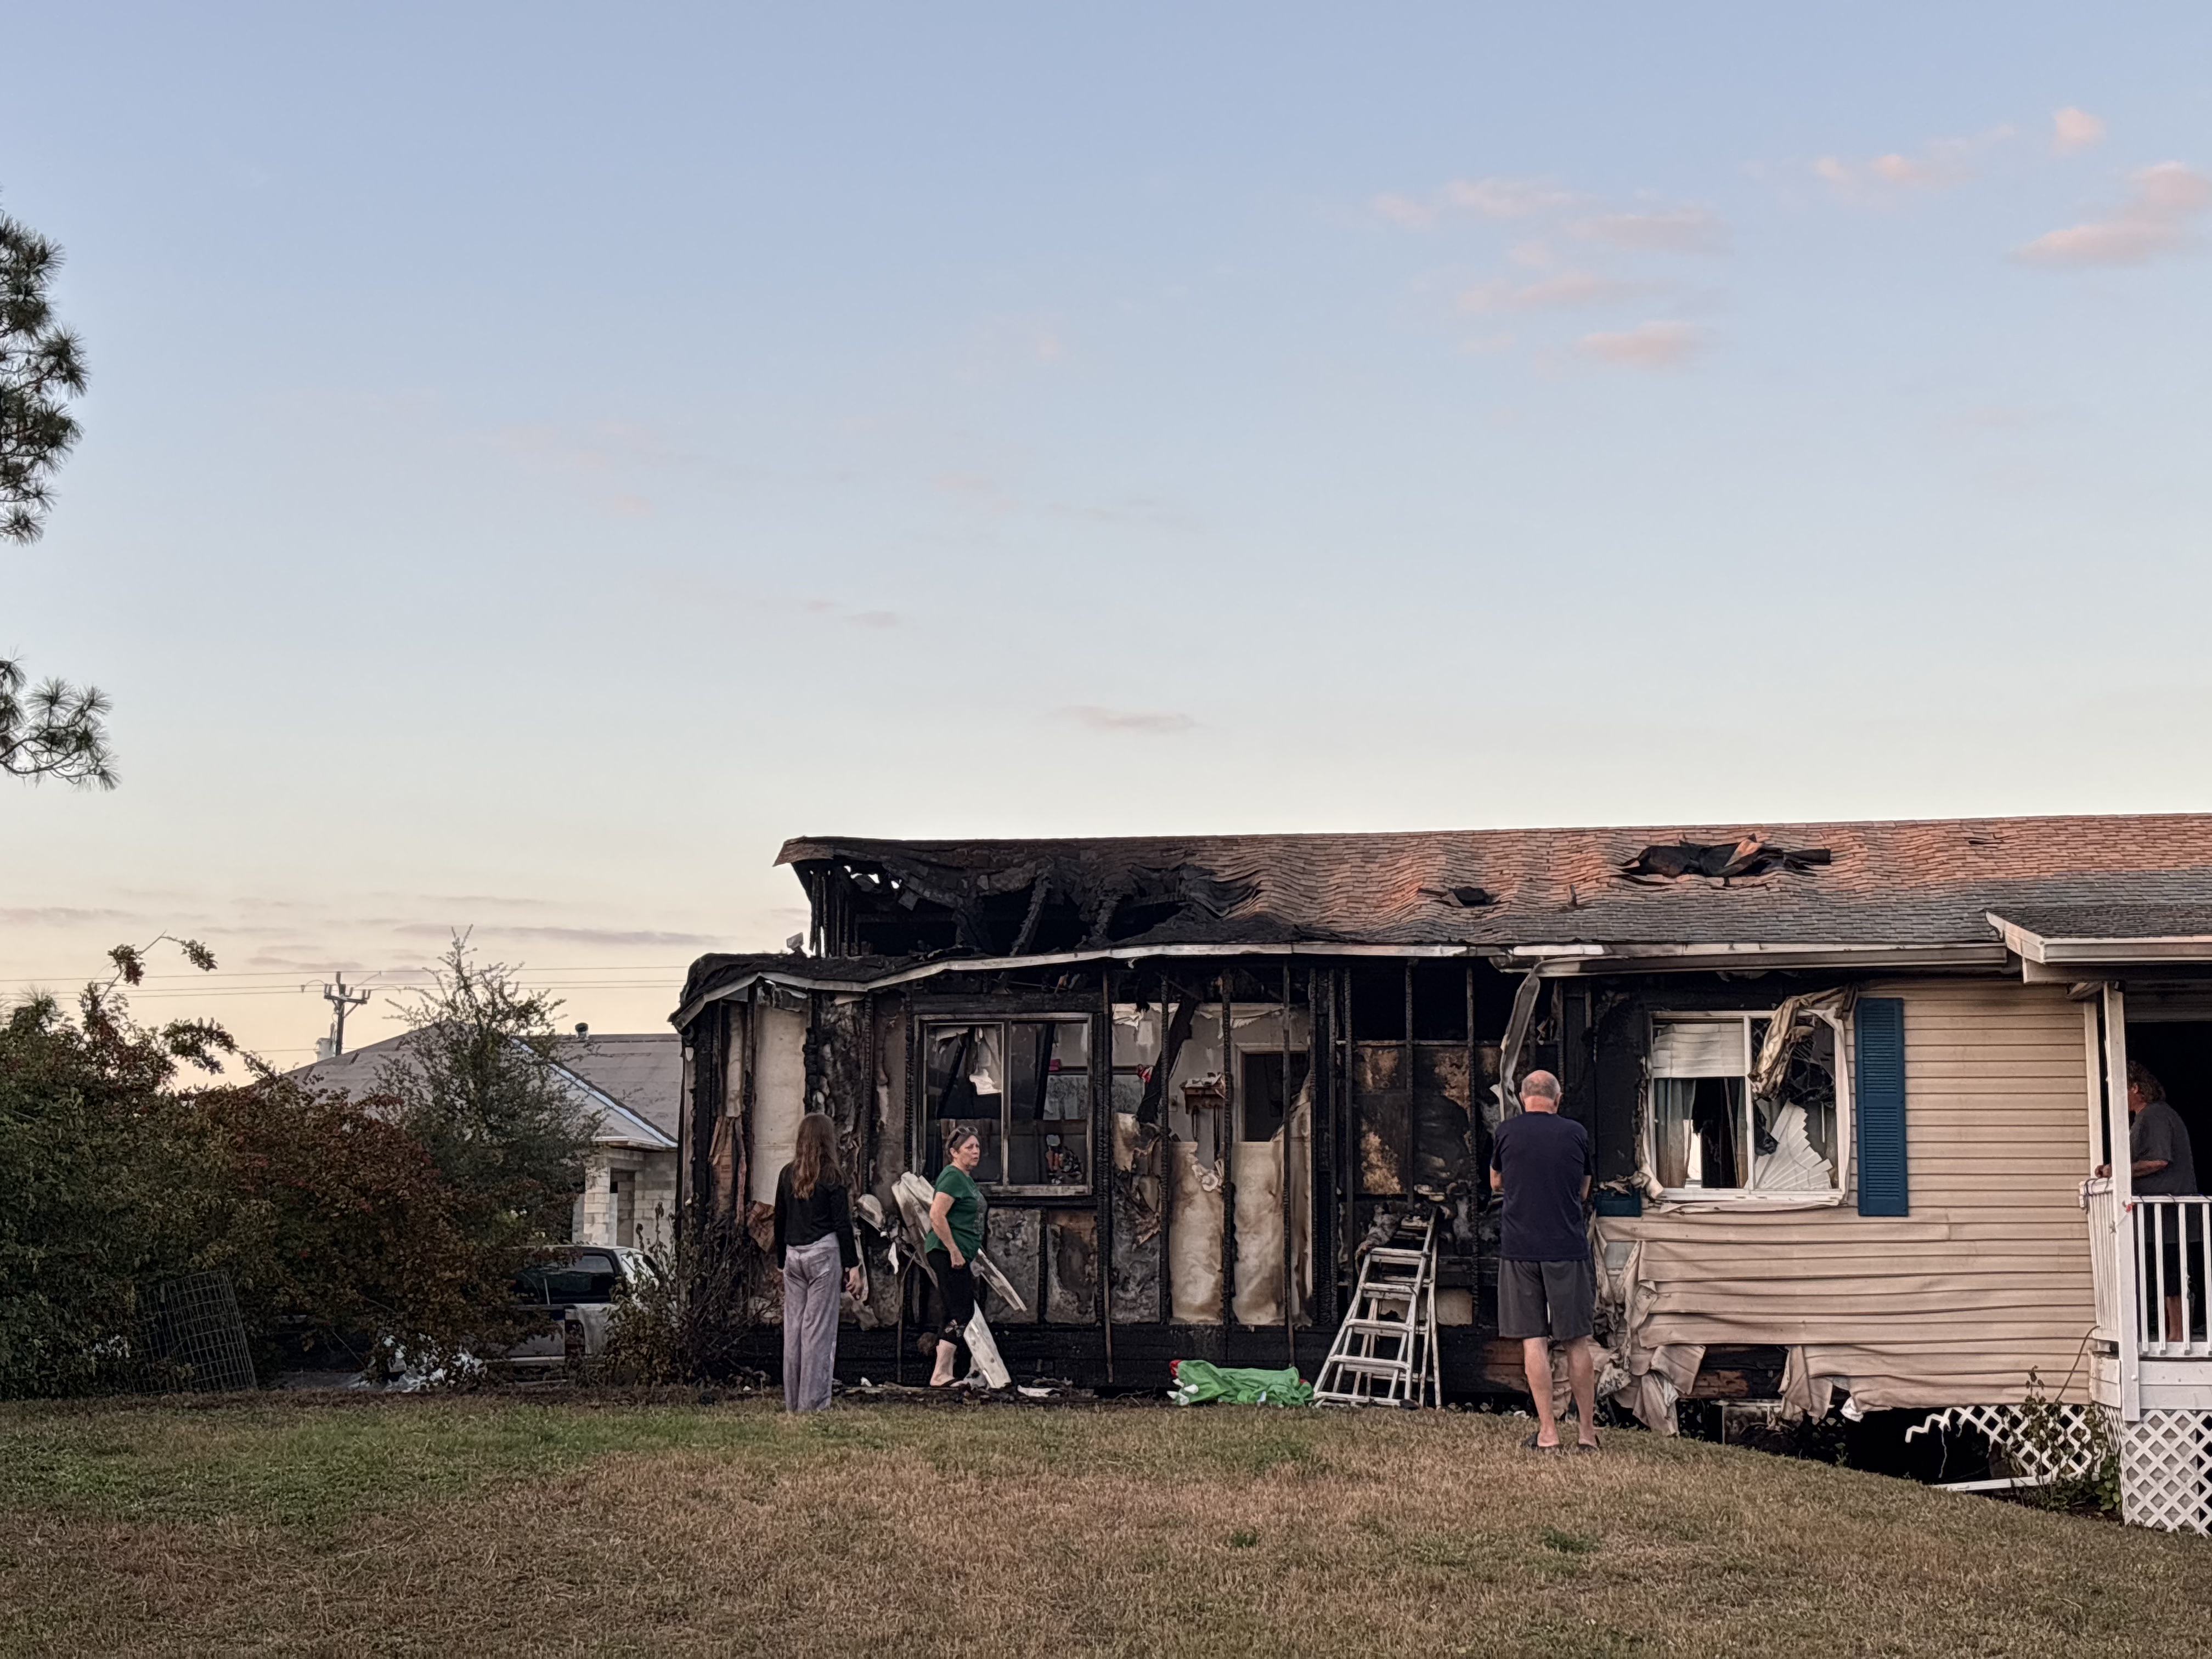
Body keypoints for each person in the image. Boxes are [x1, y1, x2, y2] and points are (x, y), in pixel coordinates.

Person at [1489, 1069, 1599, 1452]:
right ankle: (1587, 1434)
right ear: (1558, 1098)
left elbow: (1495, 1182)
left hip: (1520, 1248)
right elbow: (1584, 1189)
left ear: (1522, 1098)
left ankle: (1548, 1433)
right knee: (1577, 1342)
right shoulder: (1576, 1133)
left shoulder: (1507, 1132)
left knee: (1533, 1340)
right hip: (1567, 1248)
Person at [2100, 1062, 2199, 1341]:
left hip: (2168, 1212)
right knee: (2165, 1272)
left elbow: (2158, 1160)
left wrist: (2118, 1170)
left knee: (2172, 1273)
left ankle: (2177, 1335)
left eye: (2119, 1088)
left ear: (2135, 1088)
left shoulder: (2154, 1115)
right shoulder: (2148, 1117)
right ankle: (2172, 1333)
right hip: (2159, 1214)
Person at [772, 1111, 862, 1413]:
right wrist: (852, 1265)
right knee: (817, 1332)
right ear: (828, 1140)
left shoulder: (787, 1174)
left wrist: (782, 1261)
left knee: (794, 1331)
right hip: (823, 1254)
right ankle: (813, 1404)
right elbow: (842, 1224)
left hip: (793, 1255)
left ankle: (793, 1403)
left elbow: (780, 1219)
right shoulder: (833, 1176)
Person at [927, 1126, 988, 1387]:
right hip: (946, 1253)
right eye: (969, 1147)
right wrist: (954, 1250)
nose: (976, 1151)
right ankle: (941, 1373)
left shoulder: (964, 1178)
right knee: (963, 1310)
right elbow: (936, 1215)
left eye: (977, 1146)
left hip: (958, 1254)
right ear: (954, 1152)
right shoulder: (952, 1176)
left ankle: (943, 1373)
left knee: (954, 1310)